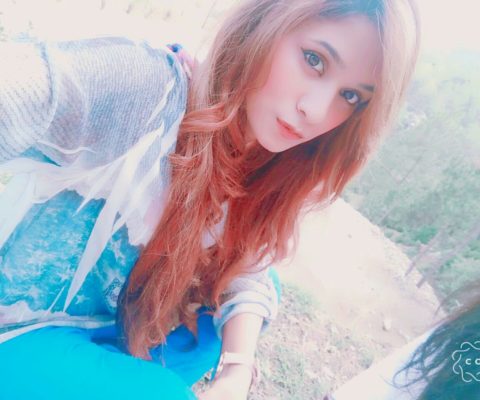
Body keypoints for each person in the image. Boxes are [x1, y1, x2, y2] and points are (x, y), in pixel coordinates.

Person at [0, 0, 420, 398]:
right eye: (314, 60)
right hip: (19, 328)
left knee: (234, 304)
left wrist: (237, 371)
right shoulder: (149, 88)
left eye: (351, 96)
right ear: (265, 24)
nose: (317, 111)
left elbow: (251, 269)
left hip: (104, 327)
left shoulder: (266, 153)